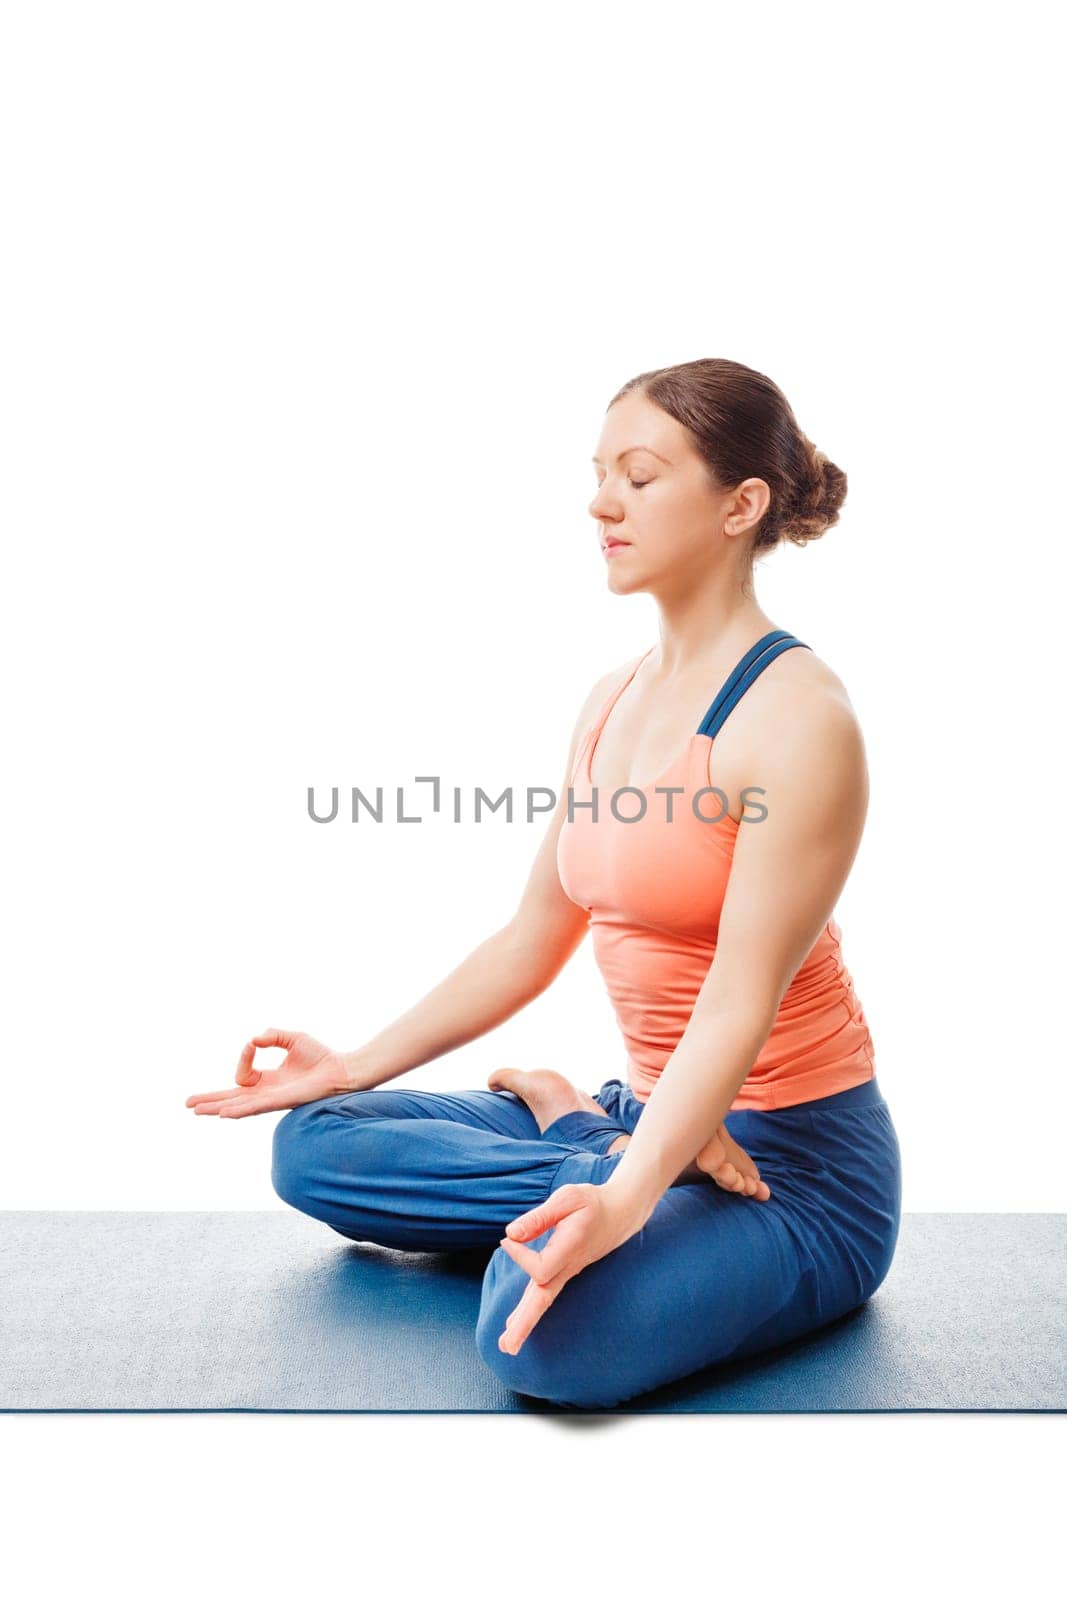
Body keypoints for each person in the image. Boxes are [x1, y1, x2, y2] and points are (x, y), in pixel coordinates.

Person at [186, 357, 902, 1410]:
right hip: (653, 1111)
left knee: (542, 1346)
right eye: (598, 471)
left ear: (738, 505)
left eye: (639, 475)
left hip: (796, 1170)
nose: (599, 500)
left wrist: (620, 1192)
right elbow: (533, 934)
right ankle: (606, 1150)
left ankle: (610, 1166)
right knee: (314, 1144)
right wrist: (349, 1066)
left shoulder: (796, 719)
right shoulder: (611, 701)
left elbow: (735, 1002)